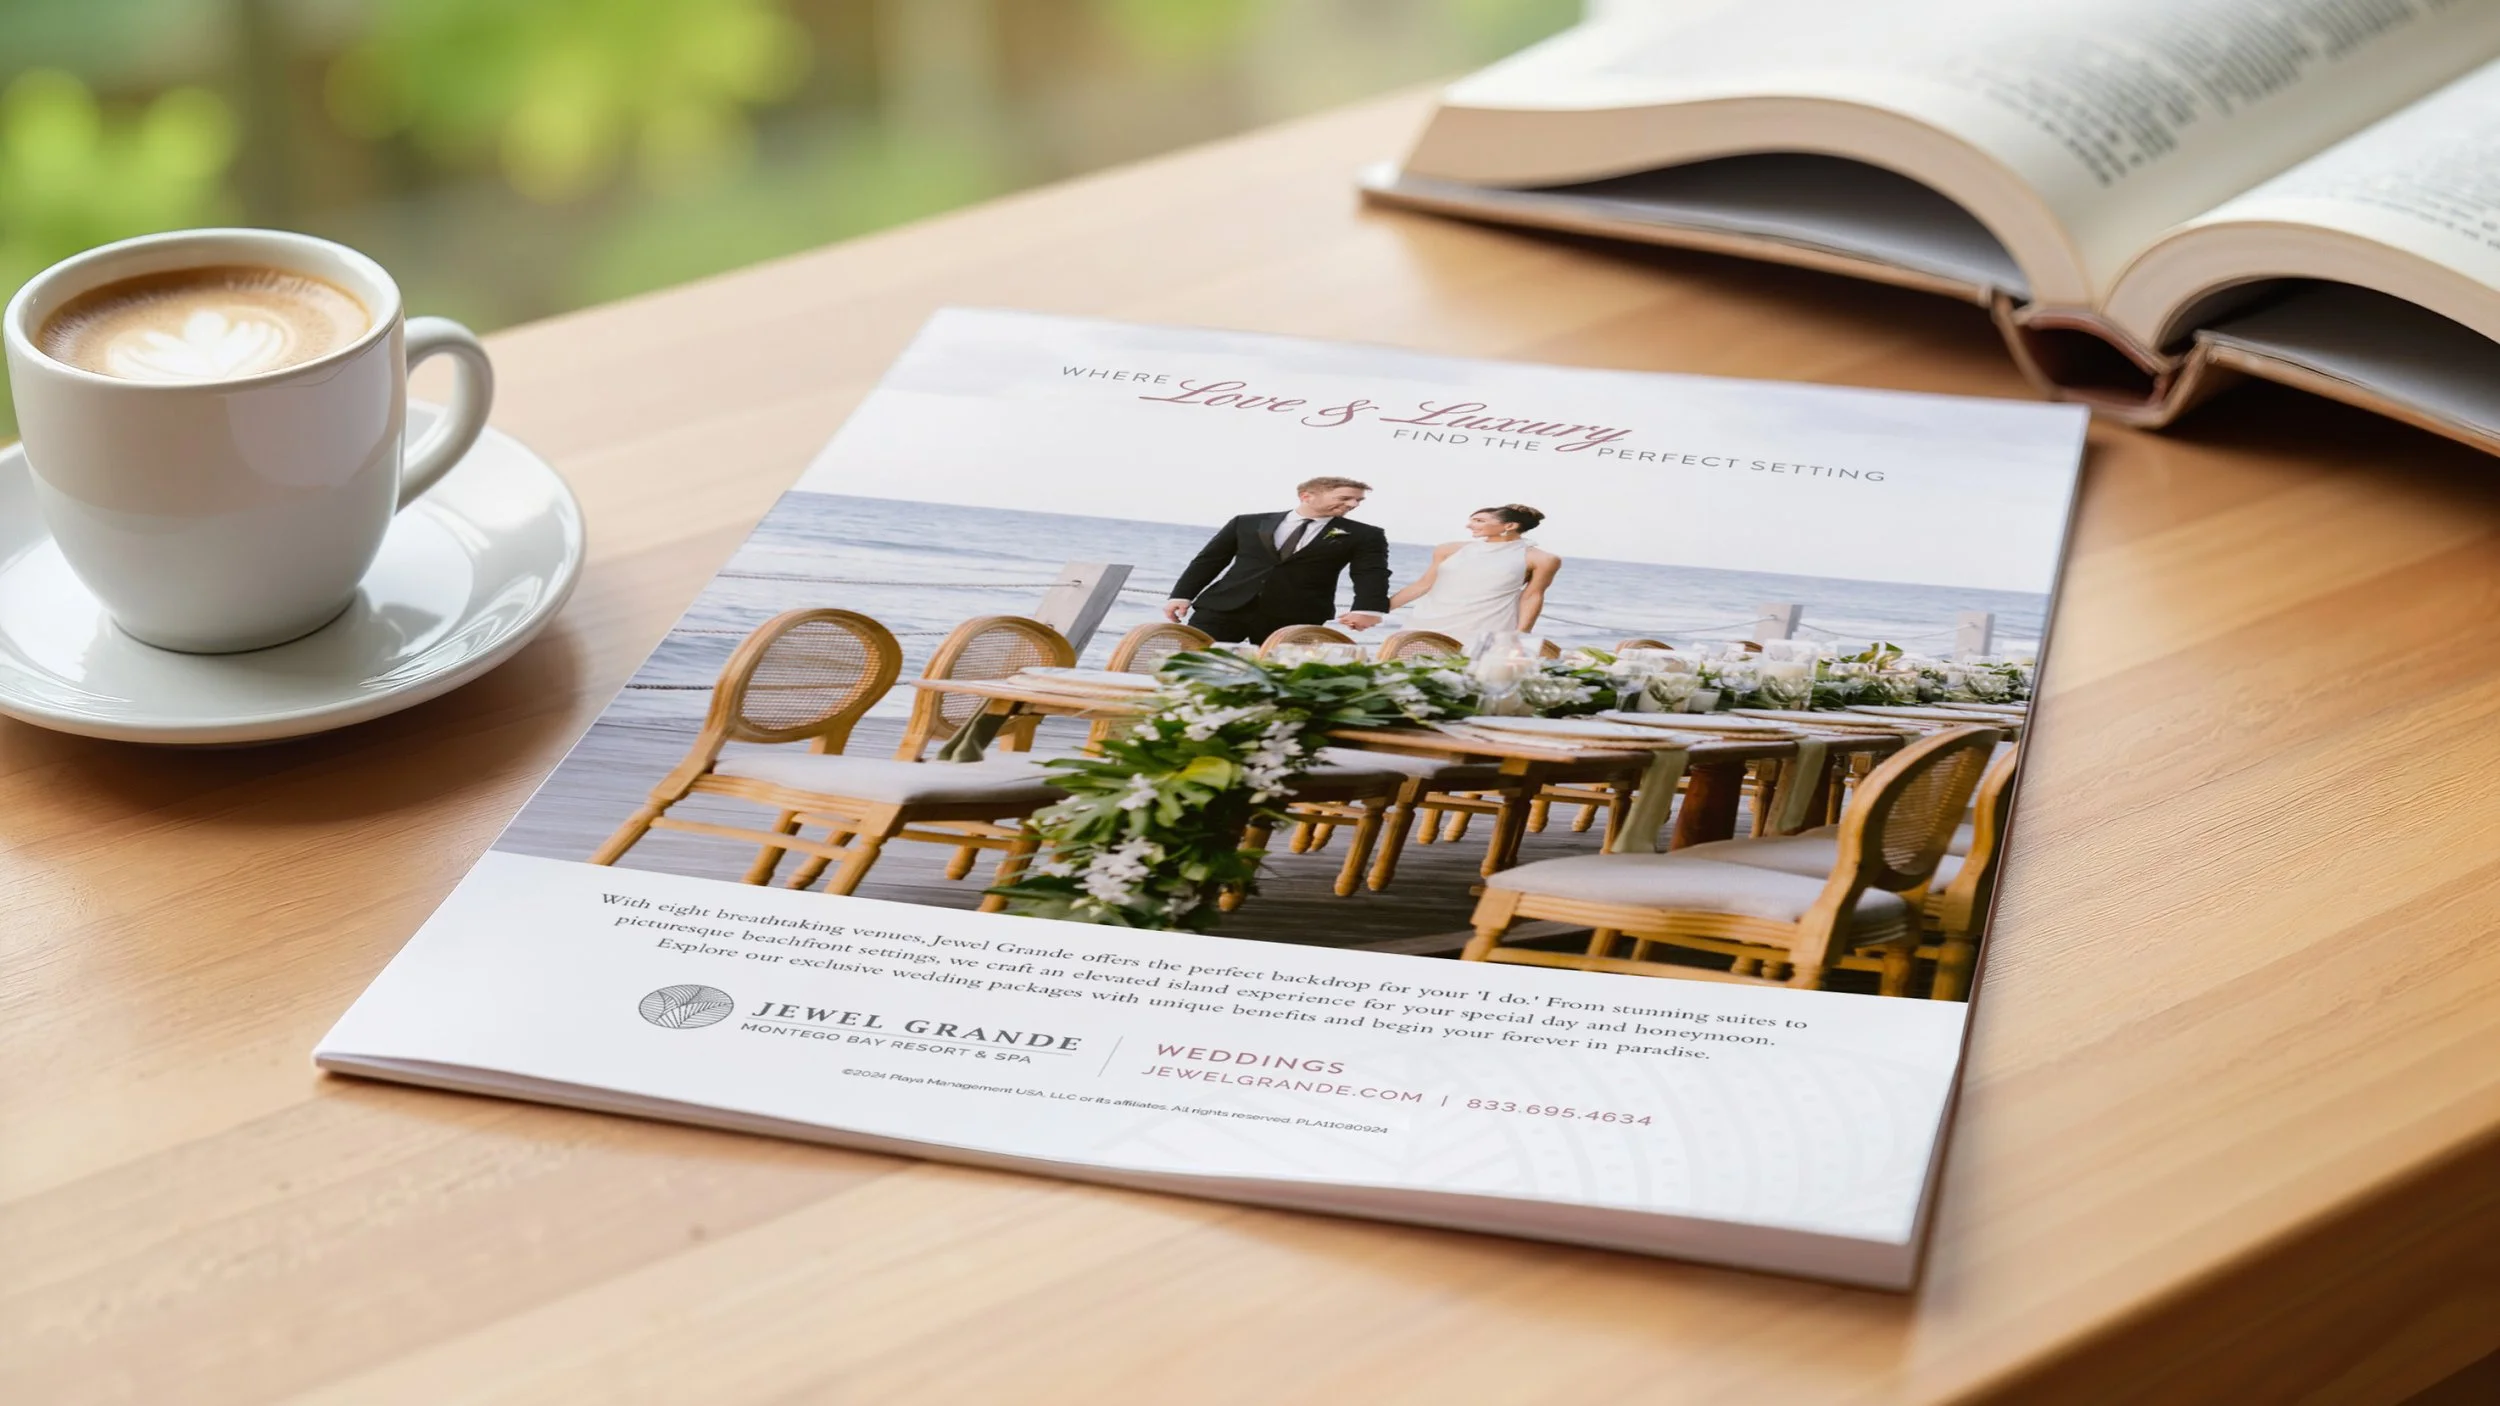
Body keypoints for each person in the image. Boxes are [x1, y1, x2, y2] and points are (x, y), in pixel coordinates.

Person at [1162, 476, 1392, 644]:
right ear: (1307, 496)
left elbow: (1371, 573)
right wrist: (1182, 595)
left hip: (1297, 616)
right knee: (1190, 665)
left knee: (1280, 680)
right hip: (1223, 608)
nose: (1352, 504)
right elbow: (1209, 560)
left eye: (1358, 501)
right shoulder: (1246, 522)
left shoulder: (1366, 535)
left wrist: (1368, 609)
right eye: (1345, 498)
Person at [1389, 504, 1560, 648]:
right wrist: (1374, 609)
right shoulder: (1448, 549)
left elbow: (1532, 596)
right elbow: (1423, 585)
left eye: (1479, 521)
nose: (1469, 525)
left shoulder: (1542, 559)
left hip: (1486, 629)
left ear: (1509, 526)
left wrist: (1521, 635)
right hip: (1427, 622)